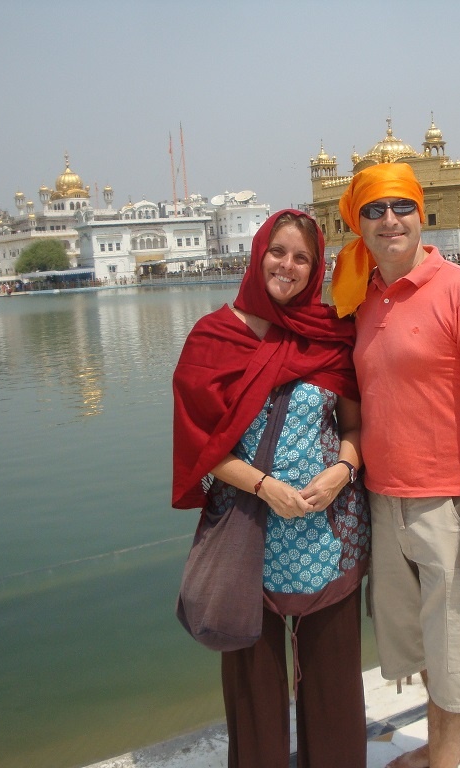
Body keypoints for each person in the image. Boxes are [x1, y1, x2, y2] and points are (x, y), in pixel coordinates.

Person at [333, 164, 460, 768]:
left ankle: (445, 758)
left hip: (451, 502)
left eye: (401, 207)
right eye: (375, 210)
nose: (390, 220)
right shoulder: (361, 300)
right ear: (357, 225)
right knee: (427, 641)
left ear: (421, 213)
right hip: (386, 501)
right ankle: (443, 751)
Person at [171, 210, 370, 768]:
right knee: (253, 690)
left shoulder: (329, 332)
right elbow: (201, 446)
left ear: (317, 268)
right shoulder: (214, 337)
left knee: (333, 684)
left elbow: (354, 427)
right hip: (247, 534)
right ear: (258, 255)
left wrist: (343, 471)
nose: (288, 266)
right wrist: (265, 487)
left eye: (302, 258)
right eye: (277, 252)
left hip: (328, 533)